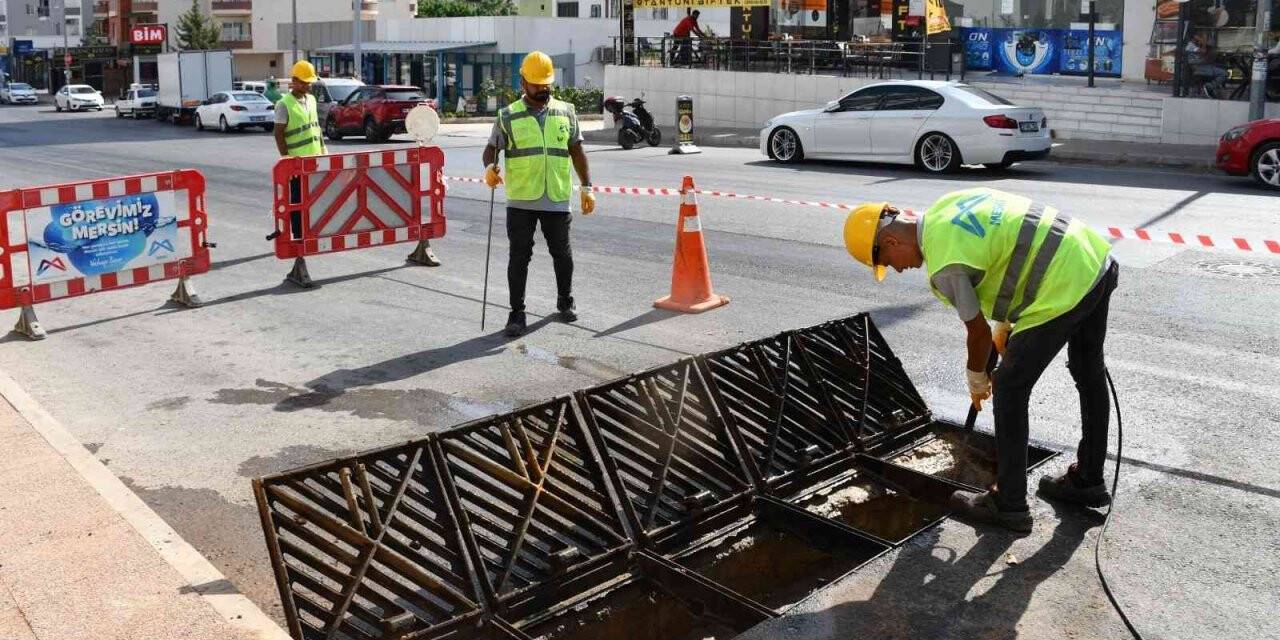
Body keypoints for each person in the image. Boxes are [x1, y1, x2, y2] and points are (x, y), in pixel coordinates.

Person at [843, 188, 1119, 533]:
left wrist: (977, 376)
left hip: (1062, 284)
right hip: (1093, 258)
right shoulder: (947, 204)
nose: (894, 270)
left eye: (885, 262)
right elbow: (1008, 245)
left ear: (889, 241)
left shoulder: (943, 265)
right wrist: (1005, 322)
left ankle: (1009, 503)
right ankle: (1088, 481)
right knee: (1087, 371)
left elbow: (976, 334)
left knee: (1009, 386)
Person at [482, 51, 595, 338]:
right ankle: (516, 314)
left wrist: (587, 187)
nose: (544, 89)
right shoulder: (507, 116)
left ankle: (565, 301)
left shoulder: (566, 111)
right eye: (537, 84)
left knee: (562, 253)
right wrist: (489, 169)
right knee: (519, 257)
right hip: (521, 199)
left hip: (556, 196)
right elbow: (490, 150)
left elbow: (577, 151)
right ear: (523, 83)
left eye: (547, 84)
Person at [274, 61, 327, 158]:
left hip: (316, 157)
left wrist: (323, 149)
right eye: (303, 82)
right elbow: (278, 134)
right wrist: (286, 157)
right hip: (296, 160)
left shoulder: (312, 99)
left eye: (309, 82)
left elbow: (316, 127)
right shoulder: (284, 104)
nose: (307, 85)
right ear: (294, 80)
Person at [1186, 34, 1228, 98]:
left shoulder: (1196, 45)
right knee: (1224, 73)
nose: (1201, 39)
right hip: (1199, 68)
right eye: (1199, 36)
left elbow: (1208, 54)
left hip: (1203, 66)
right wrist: (1203, 42)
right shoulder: (1190, 45)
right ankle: (1209, 87)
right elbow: (1203, 51)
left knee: (1221, 67)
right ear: (1194, 37)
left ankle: (1215, 90)